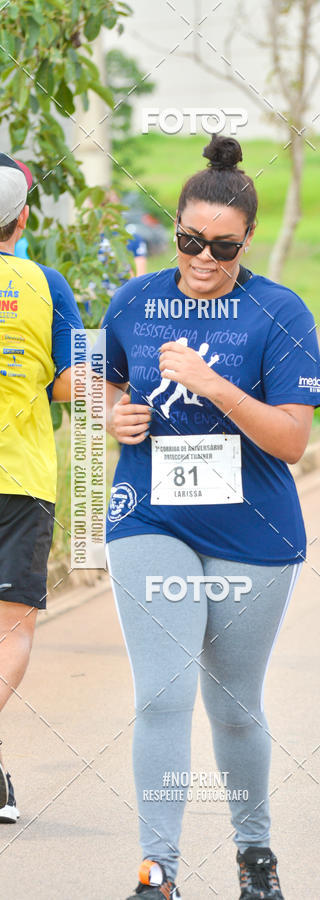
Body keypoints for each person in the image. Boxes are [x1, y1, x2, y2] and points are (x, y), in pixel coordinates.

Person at [102, 134, 320, 900]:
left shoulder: (278, 311)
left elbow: (292, 440)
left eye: (222, 247)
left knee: (233, 706)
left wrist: (214, 385)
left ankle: (253, 858)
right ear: (175, 232)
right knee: (161, 693)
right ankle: (155, 871)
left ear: (247, 240)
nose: (203, 259)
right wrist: (115, 416)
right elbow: (105, 383)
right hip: (150, 517)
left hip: (252, 530)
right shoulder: (134, 299)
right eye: (191, 241)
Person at [0, 153, 84, 823]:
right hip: (20, 480)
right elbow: (72, 386)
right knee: (9, 631)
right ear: (23, 218)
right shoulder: (47, 283)